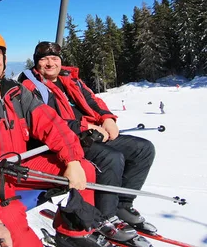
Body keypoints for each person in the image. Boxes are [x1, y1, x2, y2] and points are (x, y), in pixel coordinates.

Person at [0, 29, 113, 247]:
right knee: (13, 227)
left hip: (21, 166)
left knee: (84, 169)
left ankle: (72, 234)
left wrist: (71, 159)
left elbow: (52, 124)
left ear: (3, 59)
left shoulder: (14, 92)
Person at [18, 41, 157, 244]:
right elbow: (46, 121)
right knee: (111, 158)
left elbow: (92, 101)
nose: (50, 63)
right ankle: (105, 217)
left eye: (54, 58)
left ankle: (123, 205)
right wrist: (86, 128)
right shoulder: (31, 86)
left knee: (143, 149)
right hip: (64, 141)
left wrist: (107, 118)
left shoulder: (69, 78)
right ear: (36, 63)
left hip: (92, 134)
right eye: (44, 59)